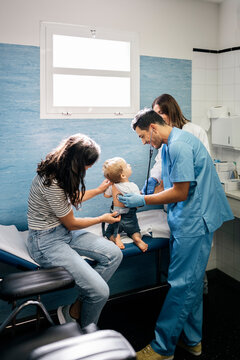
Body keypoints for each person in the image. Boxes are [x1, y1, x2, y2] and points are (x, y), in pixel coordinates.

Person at [118, 109, 234, 360]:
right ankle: (193, 340)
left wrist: (145, 198)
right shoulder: (170, 144)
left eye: (142, 136)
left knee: (181, 284)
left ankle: (162, 347)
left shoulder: (180, 145)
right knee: (189, 282)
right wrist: (151, 185)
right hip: (184, 220)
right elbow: (170, 183)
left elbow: (180, 192)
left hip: (195, 221)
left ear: (153, 128)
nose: (143, 142)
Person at [27, 134, 123, 328]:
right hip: (45, 242)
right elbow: (71, 223)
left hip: (62, 232)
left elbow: (68, 199)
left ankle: (75, 308)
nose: (88, 169)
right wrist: (101, 218)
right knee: (100, 292)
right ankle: (87, 333)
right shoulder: (52, 181)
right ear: (76, 161)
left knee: (114, 254)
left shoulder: (60, 170)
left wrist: (97, 190)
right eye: (87, 166)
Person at [142, 94, 210, 195]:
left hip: (196, 191)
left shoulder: (195, 131)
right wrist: (154, 178)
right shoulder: (164, 138)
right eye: (155, 114)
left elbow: (205, 163)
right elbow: (161, 162)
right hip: (175, 195)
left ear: (171, 111)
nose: (157, 118)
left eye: (160, 113)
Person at [102, 157, 148, 252]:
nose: (129, 165)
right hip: (129, 217)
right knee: (135, 231)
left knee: (108, 232)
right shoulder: (133, 186)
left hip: (116, 217)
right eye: (127, 165)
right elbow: (138, 203)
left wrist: (108, 183)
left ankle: (116, 237)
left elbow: (106, 195)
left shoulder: (113, 185)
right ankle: (137, 239)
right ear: (123, 175)